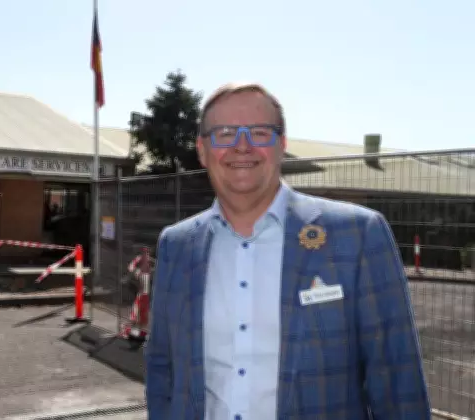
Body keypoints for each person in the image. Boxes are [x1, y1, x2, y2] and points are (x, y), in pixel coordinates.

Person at [144, 82, 431, 419]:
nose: (242, 146)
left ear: (282, 145)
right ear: (203, 150)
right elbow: (162, 366)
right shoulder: (177, 245)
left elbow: (398, 379)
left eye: (259, 133)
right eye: (225, 134)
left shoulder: (358, 235)